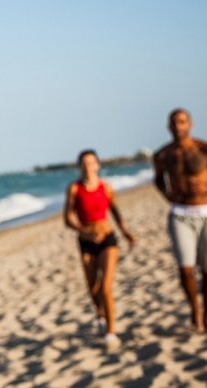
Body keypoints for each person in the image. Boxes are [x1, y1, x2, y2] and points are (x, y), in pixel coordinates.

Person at [153, 108, 207, 333]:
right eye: (174, 123)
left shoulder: (205, 149)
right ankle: (194, 310)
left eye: (182, 122)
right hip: (180, 214)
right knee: (185, 268)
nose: (178, 127)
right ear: (168, 127)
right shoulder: (163, 155)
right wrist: (166, 194)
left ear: (190, 124)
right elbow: (158, 180)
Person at [64, 149, 136, 351]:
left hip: (107, 238)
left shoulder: (107, 187)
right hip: (86, 241)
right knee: (92, 287)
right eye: (84, 163)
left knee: (105, 286)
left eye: (91, 163)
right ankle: (100, 315)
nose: (88, 167)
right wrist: (83, 231)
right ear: (80, 166)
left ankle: (111, 333)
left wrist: (125, 232)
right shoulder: (74, 189)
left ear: (98, 165)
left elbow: (115, 210)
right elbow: (68, 218)